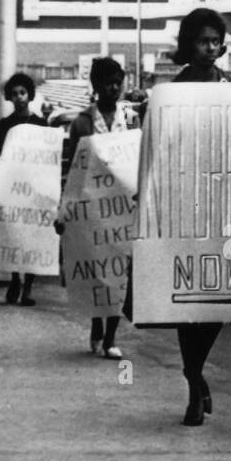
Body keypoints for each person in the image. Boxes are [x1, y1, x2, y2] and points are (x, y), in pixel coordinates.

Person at [171, 8, 231, 424]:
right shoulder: (173, 91)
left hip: (224, 204)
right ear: (188, 44)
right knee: (183, 302)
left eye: (215, 41)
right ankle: (194, 383)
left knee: (217, 301)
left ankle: (194, 372)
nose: (209, 49)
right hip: (182, 205)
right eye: (202, 41)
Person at [62, 56, 140, 358]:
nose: (114, 88)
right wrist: (65, 208)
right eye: (108, 83)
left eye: (118, 83)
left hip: (123, 209)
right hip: (93, 208)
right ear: (96, 86)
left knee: (120, 272)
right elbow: (74, 169)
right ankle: (97, 325)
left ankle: (110, 337)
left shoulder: (131, 120)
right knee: (98, 270)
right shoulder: (82, 122)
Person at [0, 72, 46, 305]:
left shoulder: (41, 124)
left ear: (29, 95)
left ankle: (29, 287)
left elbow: (46, 159)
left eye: (22, 93)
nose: (19, 97)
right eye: (14, 94)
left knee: (32, 237)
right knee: (13, 235)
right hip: (11, 188)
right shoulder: (5, 125)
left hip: (34, 189)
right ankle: (15, 278)